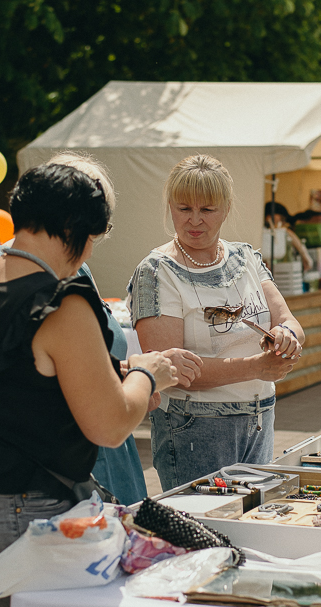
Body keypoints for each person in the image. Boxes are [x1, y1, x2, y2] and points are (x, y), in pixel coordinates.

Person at [0, 162, 183, 607]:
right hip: (12, 505)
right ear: (79, 235)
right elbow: (109, 425)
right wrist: (148, 372)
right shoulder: (61, 302)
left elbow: (12, 383)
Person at [0, 152, 202, 505]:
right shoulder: (53, 289)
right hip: (60, 472)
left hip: (26, 471)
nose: (91, 249)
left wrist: (127, 377)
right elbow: (99, 419)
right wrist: (144, 376)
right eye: (94, 229)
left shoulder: (14, 271)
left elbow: (47, 369)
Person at [128, 154, 304, 491]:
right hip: (194, 427)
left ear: (225, 208)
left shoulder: (246, 257)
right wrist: (256, 367)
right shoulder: (155, 271)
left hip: (259, 419)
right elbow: (172, 371)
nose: (194, 220)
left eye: (207, 210)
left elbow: (288, 320)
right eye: (183, 208)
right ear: (169, 206)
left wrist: (287, 337)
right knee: (206, 535)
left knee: (251, 524)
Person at [264, 201, 314, 271]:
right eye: (281, 218)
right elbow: (287, 231)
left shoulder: (275, 233)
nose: (282, 223)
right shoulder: (264, 231)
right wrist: (305, 255)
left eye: (283, 220)